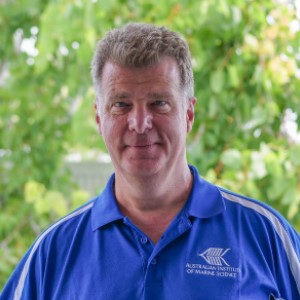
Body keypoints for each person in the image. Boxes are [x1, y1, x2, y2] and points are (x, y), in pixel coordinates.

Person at [1, 23, 299, 300]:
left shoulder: (267, 237)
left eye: (159, 103)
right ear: (98, 118)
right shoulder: (53, 254)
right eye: (121, 104)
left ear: (188, 114)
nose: (140, 123)